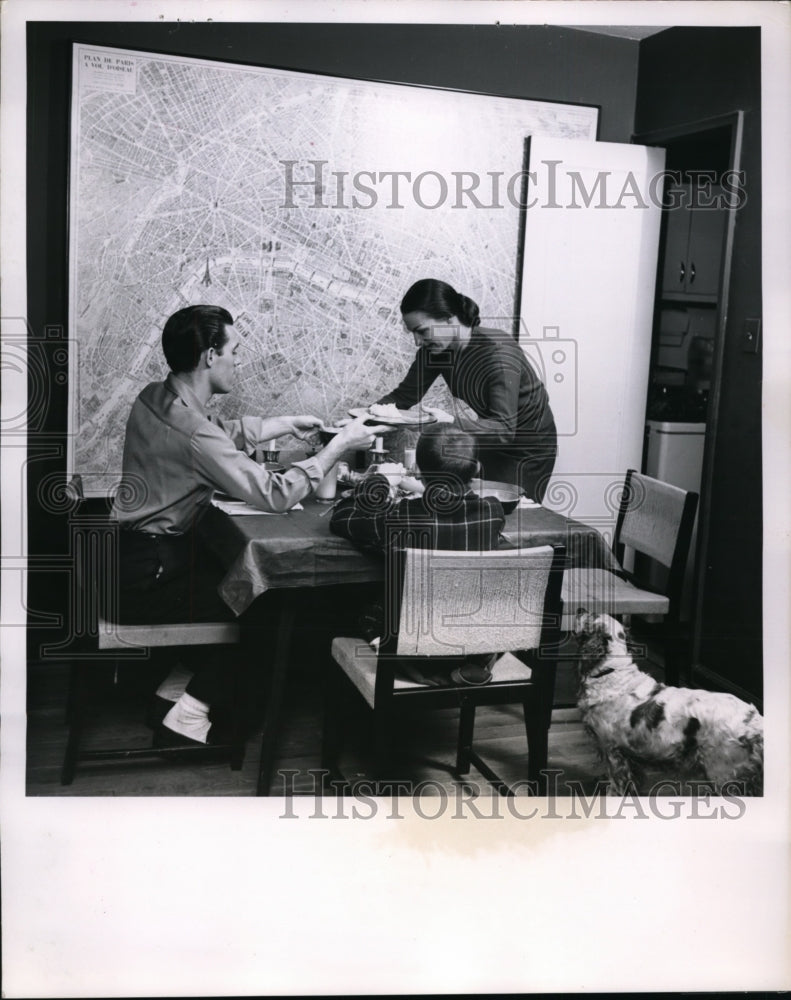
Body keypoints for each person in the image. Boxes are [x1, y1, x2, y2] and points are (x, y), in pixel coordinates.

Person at [113, 304, 386, 746]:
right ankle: (190, 716)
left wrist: (283, 425)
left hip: (129, 563)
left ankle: (175, 691)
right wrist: (337, 447)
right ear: (210, 356)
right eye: (234, 351)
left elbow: (213, 433)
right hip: (152, 578)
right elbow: (273, 494)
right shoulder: (194, 433)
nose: (238, 360)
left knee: (241, 583)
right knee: (267, 601)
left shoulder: (154, 396)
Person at [330, 424, 506, 686]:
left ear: (419, 472)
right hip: (473, 642)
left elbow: (343, 518)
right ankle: (468, 664)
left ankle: (425, 670)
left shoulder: (405, 516)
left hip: (412, 649)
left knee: (356, 607)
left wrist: (380, 481)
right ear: (477, 469)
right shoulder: (493, 512)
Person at [374, 278, 558, 502]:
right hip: (488, 438)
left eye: (422, 331)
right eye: (413, 333)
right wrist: (364, 417)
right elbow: (404, 396)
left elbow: (503, 431)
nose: (417, 342)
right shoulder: (435, 351)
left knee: (507, 512)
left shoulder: (498, 352)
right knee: (473, 506)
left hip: (527, 448)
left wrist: (450, 422)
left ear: (449, 318)